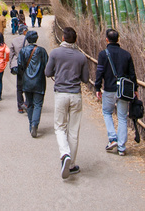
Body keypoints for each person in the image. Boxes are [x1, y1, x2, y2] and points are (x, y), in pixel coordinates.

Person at [46, 26, 90, 179]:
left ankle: (65, 154)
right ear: (75, 40)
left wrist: (58, 72)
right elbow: (85, 79)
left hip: (61, 94)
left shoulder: (55, 53)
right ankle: (71, 165)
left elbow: (47, 72)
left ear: (63, 38)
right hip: (75, 95)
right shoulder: (81, 56)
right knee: (73, 130)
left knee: (59, 127)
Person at [94, 28, 138, 156]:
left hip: (109, 89)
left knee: (107, 112)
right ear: (118, 39)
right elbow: (132, 74)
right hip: (124, 90)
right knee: (122, 117)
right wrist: (135, 89)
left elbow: (99, 72)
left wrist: (97, 88)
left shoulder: (103, 54)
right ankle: (122, 147)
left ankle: (113, 138)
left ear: (107, 39)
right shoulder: (126, 54)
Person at [17, 30, 48, 138]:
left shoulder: (23, 51)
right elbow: (46, 65)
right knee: (38, 104)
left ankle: (31, 125)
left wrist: (24, 75)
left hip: (27, 81)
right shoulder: (42, 51)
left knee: (29, 103)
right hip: (39, 81)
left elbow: (20, 66)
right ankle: (35, 124)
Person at [9, 24, 29, 113]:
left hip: (17, 65)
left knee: (19, 86)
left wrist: (11, 65)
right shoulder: (28, 40)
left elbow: (11, 55)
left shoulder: (14, 41)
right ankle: (27, 104)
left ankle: (20, 106)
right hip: (27, 65)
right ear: (24, 31)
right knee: (28, 85)